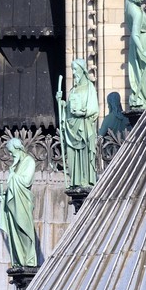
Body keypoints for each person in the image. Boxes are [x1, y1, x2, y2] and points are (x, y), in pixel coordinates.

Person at [56, 59, 100, 192]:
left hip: (84, 127)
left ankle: (85, 181)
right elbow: (69, 109)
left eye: (76, 69)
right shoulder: (73, 89)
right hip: (72, 128)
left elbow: (94, 108)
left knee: (84, 154)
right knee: (73, 155)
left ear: (82, 70)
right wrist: (62, 103)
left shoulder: (90, 87)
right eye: (72, 70)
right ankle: (76, 181)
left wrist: (83, 112)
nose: (74, 73)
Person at [0, 138, 38, 269]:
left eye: (11, 152)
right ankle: (20, 259)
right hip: (14, 203)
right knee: (15, 232)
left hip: (23, 203)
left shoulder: (29, 161)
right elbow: (13, 185)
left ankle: (28, 259)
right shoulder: (18, 163)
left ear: (18, 148)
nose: (10, 155)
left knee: (24, 230)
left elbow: (25, 182)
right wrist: (4, 195)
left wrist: (12, 174)